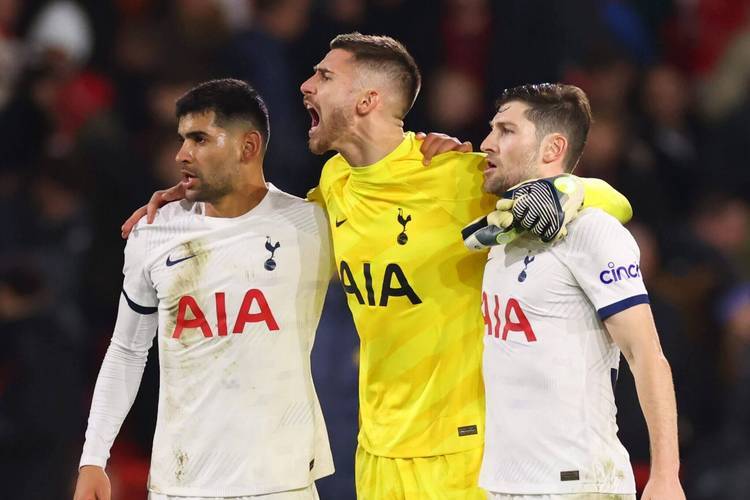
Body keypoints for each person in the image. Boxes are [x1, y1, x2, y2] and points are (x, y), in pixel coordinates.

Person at [122, 34, 633, 499]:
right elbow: (268, 225)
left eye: (325, 76)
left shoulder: (457, 175)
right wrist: (200, 199)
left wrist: (562, 190)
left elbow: (612, 203)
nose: (306, 85)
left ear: (367, 100)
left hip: (463, 453)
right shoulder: (336, 182)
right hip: (376, 455)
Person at [74, 79, 334, 500]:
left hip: (282, 481)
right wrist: (93, 458)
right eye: (182, 139)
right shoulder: (153, 232)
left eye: (199, 139)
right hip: (181, 483)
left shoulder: (312, 225)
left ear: (248, 147)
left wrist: (433, 152)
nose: (181, 154)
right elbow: (126, 350)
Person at [476, 83, 685, 499]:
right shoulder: (502, 235)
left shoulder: (592, 231)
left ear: (553, 148)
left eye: (506, 130)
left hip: (578, 482)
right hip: (503, 483)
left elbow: (646, 354)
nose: (487, 143)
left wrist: (666, 475)